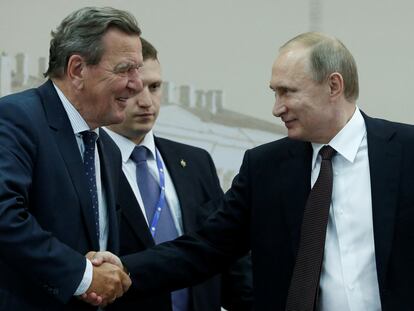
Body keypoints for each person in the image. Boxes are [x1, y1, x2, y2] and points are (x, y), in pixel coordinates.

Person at [91, 31, 414, 310]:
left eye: (288, 92)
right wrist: (124, 267)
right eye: (275, 92)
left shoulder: (405, 152)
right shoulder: (265, 168)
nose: (277, 108)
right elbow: (206, 248)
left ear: (333, 86)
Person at [0, 6, 143, 311]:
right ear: (77, 69)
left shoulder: (107, 147)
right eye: (125, 69)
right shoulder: (15, 118)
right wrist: (82, 275)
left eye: (138, 70)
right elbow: (4, 215)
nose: (137, 84)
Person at [102, 37, 252, 311]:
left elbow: (226, 252)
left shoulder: (195, 162)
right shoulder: (89, 165)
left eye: (155, 87)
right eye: (133, 89)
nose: (146, 101)